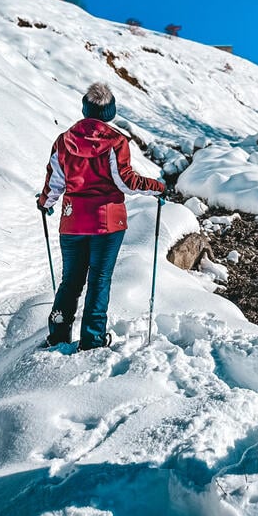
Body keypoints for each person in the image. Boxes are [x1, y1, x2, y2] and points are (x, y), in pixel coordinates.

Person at [37, 82, 165, 351]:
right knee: (99, 279)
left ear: (85, 109)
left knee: (70, 280)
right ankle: (92, 340)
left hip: (72, 222)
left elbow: (55, 181)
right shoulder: (116, 141)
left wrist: (45, 203)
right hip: (107, 223)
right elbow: (126, 182)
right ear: (110, 112)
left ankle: (58, 333)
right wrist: (157, 187)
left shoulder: (64, 140)